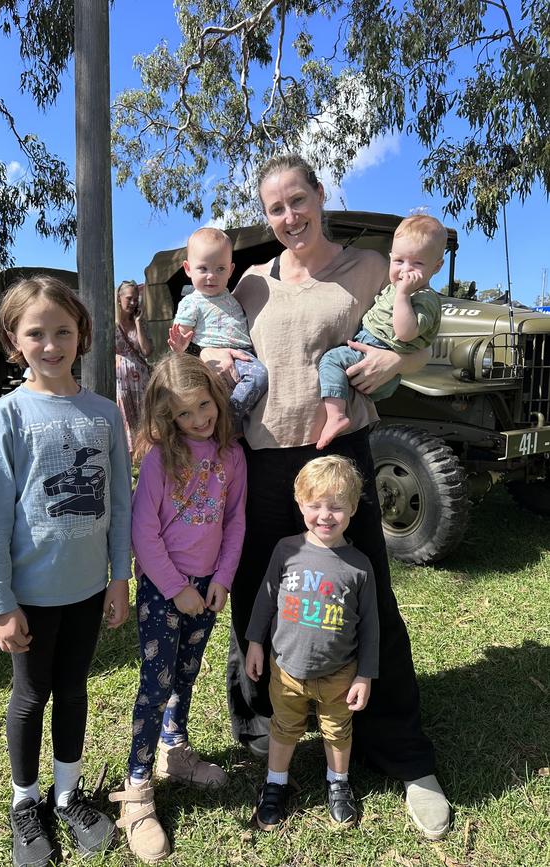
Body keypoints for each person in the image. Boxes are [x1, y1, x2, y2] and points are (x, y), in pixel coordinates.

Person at [200, 153, 451, 841]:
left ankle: (399, 749)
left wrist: (398, 360)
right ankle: (262, 724)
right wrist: (209, 362)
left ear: (319, 194)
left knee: (367, 590)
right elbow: (213, 352)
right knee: (259, 592)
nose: (287, 216)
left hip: (342, 457)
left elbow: (424, 341)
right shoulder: (247, 282)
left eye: (296, 200)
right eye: (274, 208)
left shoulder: (372, 266)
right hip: (261, 461)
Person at [0, 275, 132, 867]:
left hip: (90, 590)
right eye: (35, 333)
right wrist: (0, 602)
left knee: (72, 691)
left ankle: (67, 796)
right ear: (13, 341)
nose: (50, 344)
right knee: (31, 694)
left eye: (62, 331)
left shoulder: (101, 414)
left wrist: (120, 577)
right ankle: (26, 802)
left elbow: (117, 500)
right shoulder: (5, 417)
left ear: (82, 335)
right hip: (31, 596)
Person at [109, 353, 246, 864]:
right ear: (167, 416)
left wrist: (222, 581)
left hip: (209, 588)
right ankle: (138, 785)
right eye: (185, 414)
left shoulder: (232, 455)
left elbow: (234, 522)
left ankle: (174, 750)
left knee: (186, 675)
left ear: (216, 396)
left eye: (204, 406)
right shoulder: (158, 459)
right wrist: (174, 588)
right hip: (164, 591)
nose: (198, 420)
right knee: (156, 683)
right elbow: (143, 532)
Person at [246, 456, 378, 831]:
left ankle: (338, 784)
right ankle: (275, 785)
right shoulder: (286, 550)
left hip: (339, 675)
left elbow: (371, 627)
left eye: (336, 506)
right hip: (285, 670)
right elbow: (265, 598)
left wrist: (365, 676)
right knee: (284, 727)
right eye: (315, 505)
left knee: (338, 731)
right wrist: (255, 641)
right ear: (300, 504)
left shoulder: (359, 566)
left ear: (352, 508)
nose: (325, 515)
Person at [316, 214, 444, 448]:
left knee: (330, 360)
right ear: (390, 258)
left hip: (377, 352)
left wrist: (403, 295)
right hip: (369, 348)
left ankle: (336, 416)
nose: (405, 270)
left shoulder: (424, 299)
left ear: (436, 267)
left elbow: (405, 333)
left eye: (417, 264)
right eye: (399, 261)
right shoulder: (395, 288)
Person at [168, 227, 268, 430]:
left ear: (231, 270)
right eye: (203, 269)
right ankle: (229, 420)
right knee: (258, 376)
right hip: (212, 359)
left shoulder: (231, 296)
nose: (211, 276)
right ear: (188, 269)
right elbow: (182, 339)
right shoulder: (192, 302)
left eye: (219, 269)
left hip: (242, 355)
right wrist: (181, 347)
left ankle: (230, 424)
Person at [115, 278, 154, 451]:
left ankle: (144, 456)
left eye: (135, 298)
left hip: (141, 380)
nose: (133, 302)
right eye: (129, 298)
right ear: (119, 298)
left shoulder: (140, 322)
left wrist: (138, 323)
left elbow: (146, 351)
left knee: (144, 418)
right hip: (121, 381)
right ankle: (131, 463)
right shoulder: (111, 324)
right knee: (127, 420)